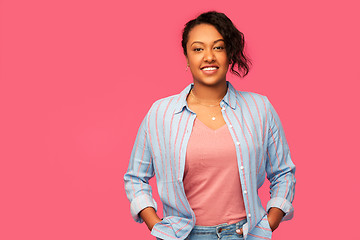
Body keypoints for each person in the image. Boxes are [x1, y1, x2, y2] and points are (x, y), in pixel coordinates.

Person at [124, 11, 296, 240]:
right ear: (186, 57)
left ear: (229, 54)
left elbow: (283, 173)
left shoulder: (260, 108)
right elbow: (136, 177)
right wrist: (156, 225)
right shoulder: (160, 113)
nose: (208, 57)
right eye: (198, 49)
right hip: (181, 235)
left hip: (244, 234)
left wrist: (269, 222)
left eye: (218, 47)